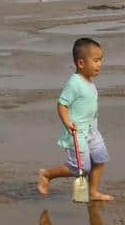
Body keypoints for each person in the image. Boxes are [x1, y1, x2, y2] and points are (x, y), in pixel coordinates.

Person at [37, 37, 114, 201]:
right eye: (96, 60)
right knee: (80, 167)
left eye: (101, 60)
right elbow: (62, 104)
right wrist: (67, 123)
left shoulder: (89, 82)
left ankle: (93, 192)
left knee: (100, 159)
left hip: (92, 131)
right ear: (81, 63)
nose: (99, 64)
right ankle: (46, 175)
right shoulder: (74, 83)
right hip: (76, 132)